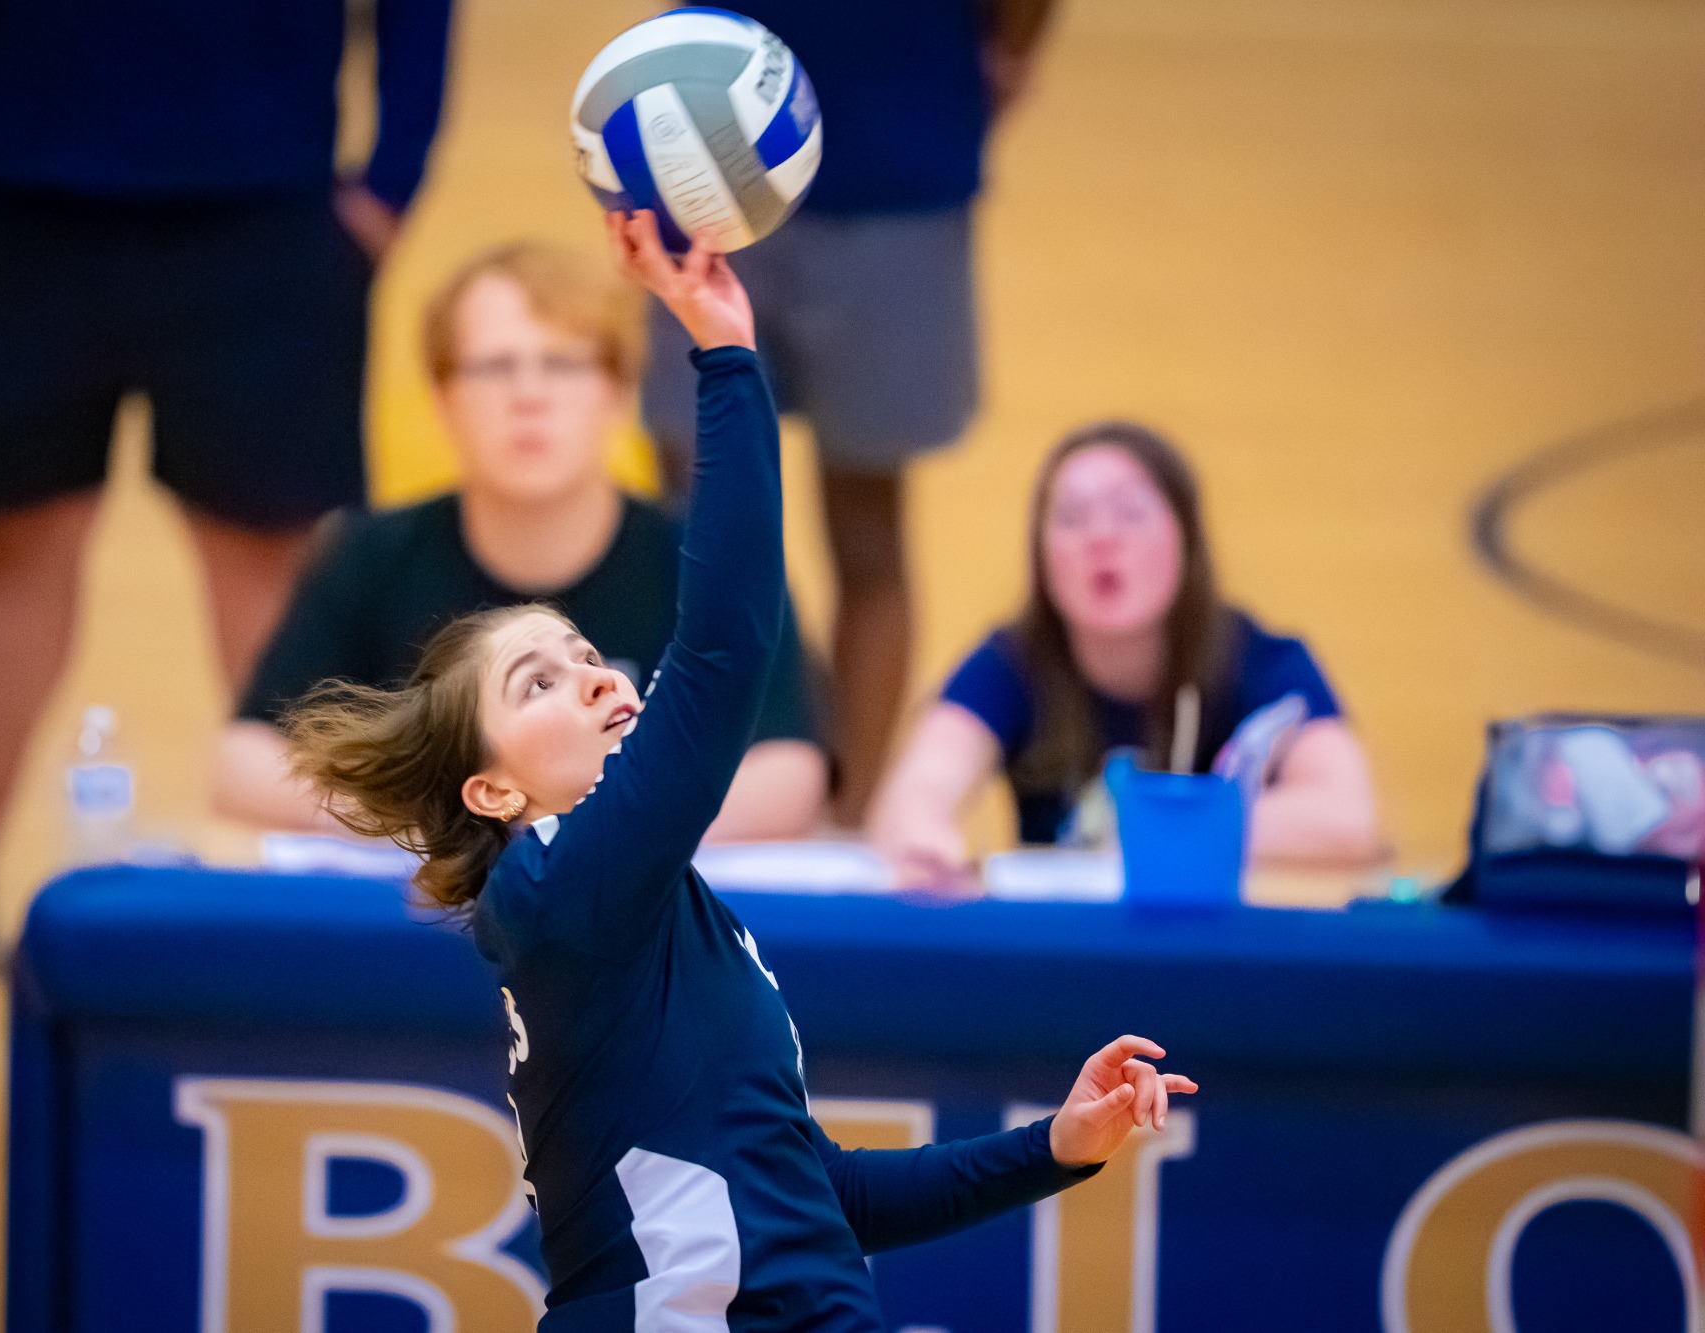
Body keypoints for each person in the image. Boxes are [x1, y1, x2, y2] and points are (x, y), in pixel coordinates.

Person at [284, 212, 1195, 1327]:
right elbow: (720, 649)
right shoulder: (559, 891)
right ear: (494, 792)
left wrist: (1054, 1145)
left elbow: (820, 1196)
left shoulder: (652, 912)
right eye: (536, 683)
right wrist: (722, 353)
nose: (591, 679)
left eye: (584, 655)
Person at [0, 0, 455, 998]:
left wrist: (389, 179)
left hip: (262, 202)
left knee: (263, 546)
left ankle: (325, 889)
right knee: (14, 535)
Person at [216, 241, 827, 844]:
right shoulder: (368, 555)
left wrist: (588, 837)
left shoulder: (713, 565)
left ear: (617, 394)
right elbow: (242, 760)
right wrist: (442, 825)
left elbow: (788, 775)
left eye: (562, 364)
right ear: (443, 399)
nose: (529, 396)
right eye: (494, 367)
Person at [641, 0, 1057, 827]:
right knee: (689, 522)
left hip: (895, 167)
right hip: (707, 151)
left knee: (866, 524)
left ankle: (851, 820)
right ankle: (705, 792)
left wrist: (1006, 52)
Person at [870, 421, 1383, 887]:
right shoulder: (1012, 662)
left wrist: (1161, 832)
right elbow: (921, 786)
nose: (1102, 537)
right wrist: (926, 836)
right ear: (1040, 555)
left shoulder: (1261, 661)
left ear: (1187, 537)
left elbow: (1347, 819)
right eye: (1071, 517)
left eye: (1131, 512)